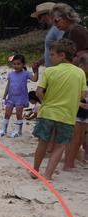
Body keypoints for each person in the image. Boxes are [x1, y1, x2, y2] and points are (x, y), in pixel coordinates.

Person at [31, 39, 87, 180]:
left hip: (48, 113)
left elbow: (38, 92)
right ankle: (48, 175)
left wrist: (46, 102)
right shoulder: (80, 73)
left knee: (43, 143)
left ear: (62, 55)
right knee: (60, 146)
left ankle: (35, 171)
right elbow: (82, 95)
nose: (50, 57)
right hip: (67, 116)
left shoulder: (50, 71)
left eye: (52, 54)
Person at [0, 54, 39, 137]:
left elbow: (34, 79)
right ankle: (3, 129)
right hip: (11, 98)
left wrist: (36, 71)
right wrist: (4, 96)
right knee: (7, 113)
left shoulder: (26, 73)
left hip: (20, 98)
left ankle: (18, 131)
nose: (16, 66)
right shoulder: (11, 74)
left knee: (18, 115)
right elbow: (8, 86)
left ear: (23, 64)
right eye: (14, 64)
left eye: (18, 64)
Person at [63, 53, 88, 171]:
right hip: (75, 111)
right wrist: (79, 103)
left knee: (80, 139)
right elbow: (67, 96)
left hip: (85, 113)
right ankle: (68, 163)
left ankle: (71, 162)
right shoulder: (76, 76)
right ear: (82, 65)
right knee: (74, 138)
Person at [32, 2, 64, 70]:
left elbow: (64, 49)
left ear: (48, 14)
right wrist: (39, 62)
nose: (39, 21)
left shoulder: (58, 28)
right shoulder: (53, 29)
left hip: (57, 71)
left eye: (39, 17)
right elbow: (50, 51)